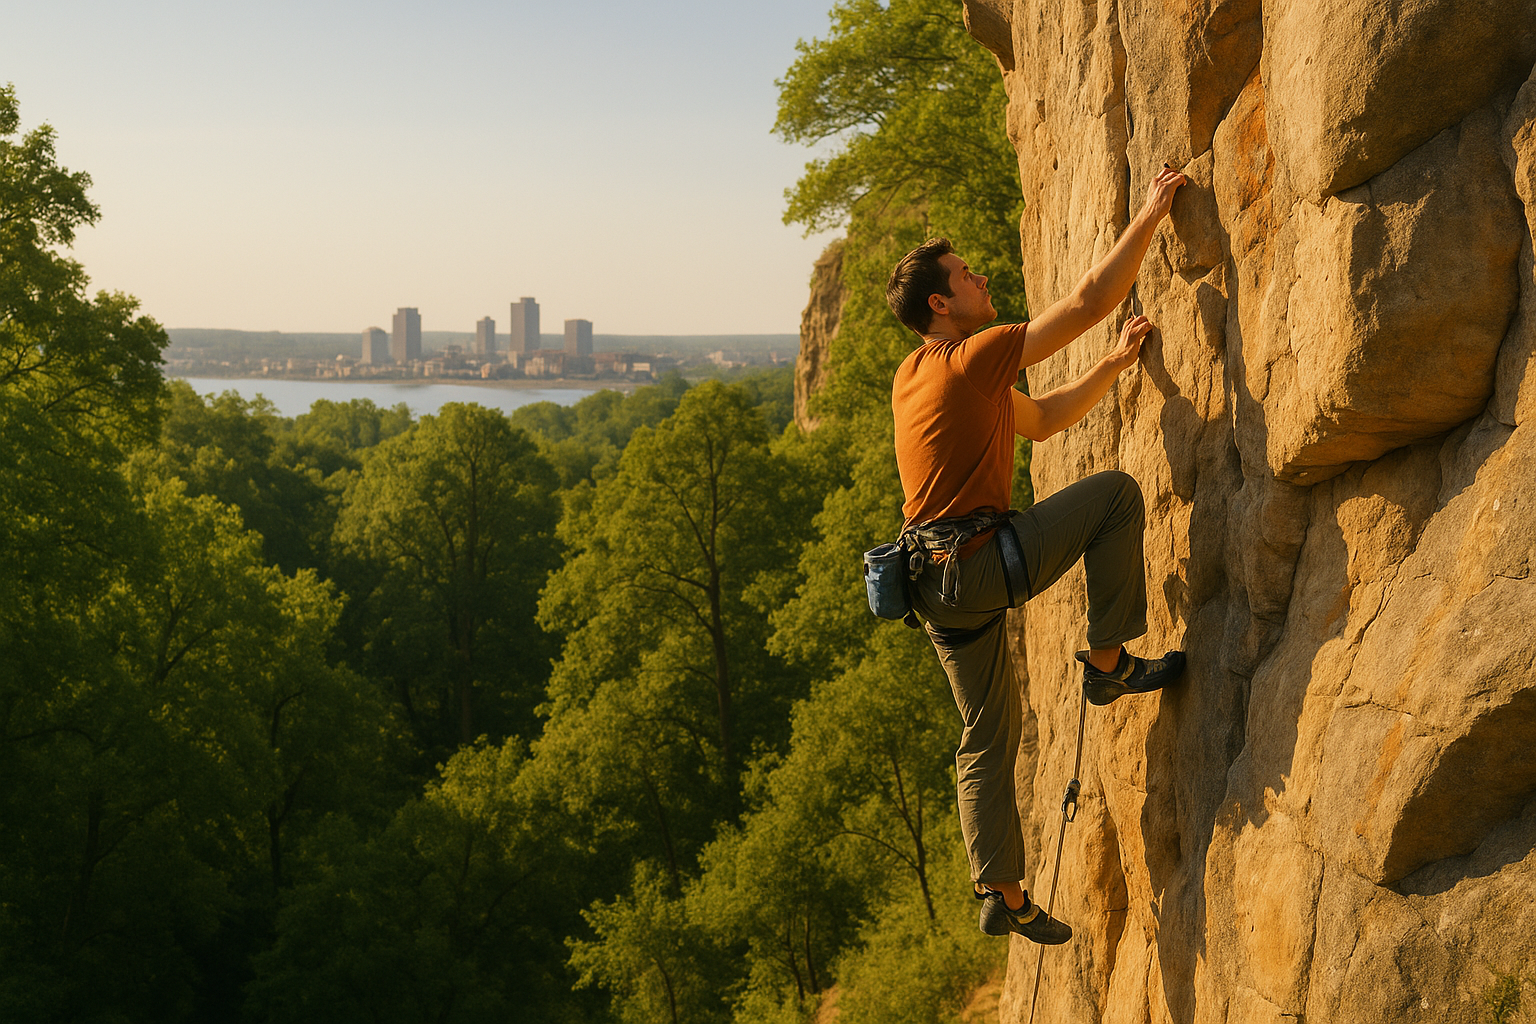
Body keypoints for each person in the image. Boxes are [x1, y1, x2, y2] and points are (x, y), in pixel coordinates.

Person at [885, 165, 1189, 944]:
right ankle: (1110, 662)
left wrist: (1113, 366)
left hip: (931, 588)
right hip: (978, 565)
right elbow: (1086, 301)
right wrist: (1152, 212)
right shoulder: (972, 356)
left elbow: (1044, 419)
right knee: (1117, 496)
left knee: (985, 735)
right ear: (940, 304)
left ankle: (1004, 892)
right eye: (966, 275)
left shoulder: (915, 375)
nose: (981, 277)